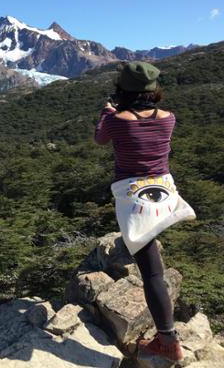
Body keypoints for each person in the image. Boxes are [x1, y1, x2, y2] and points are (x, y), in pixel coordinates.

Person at [94, 61, 196, 361]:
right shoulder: (168, 118)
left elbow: (101, 137)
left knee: (152, 273)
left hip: (134, 198)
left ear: (122, 89)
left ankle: (168, 340)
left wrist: (106, 112)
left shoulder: (118, 120)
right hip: (164, 190)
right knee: (148, 252)